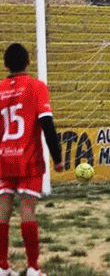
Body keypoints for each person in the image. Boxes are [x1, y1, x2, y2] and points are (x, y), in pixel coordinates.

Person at [0, 43, 63, 276]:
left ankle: (2, 265)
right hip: (28, 157)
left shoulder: (0, 88)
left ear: (6, 64)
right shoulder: (36, 87)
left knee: (3, 209)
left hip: (4, 157)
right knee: (28, 209)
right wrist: (57, 158)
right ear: (28, 62)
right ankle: (33, 268)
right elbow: (46, 122)